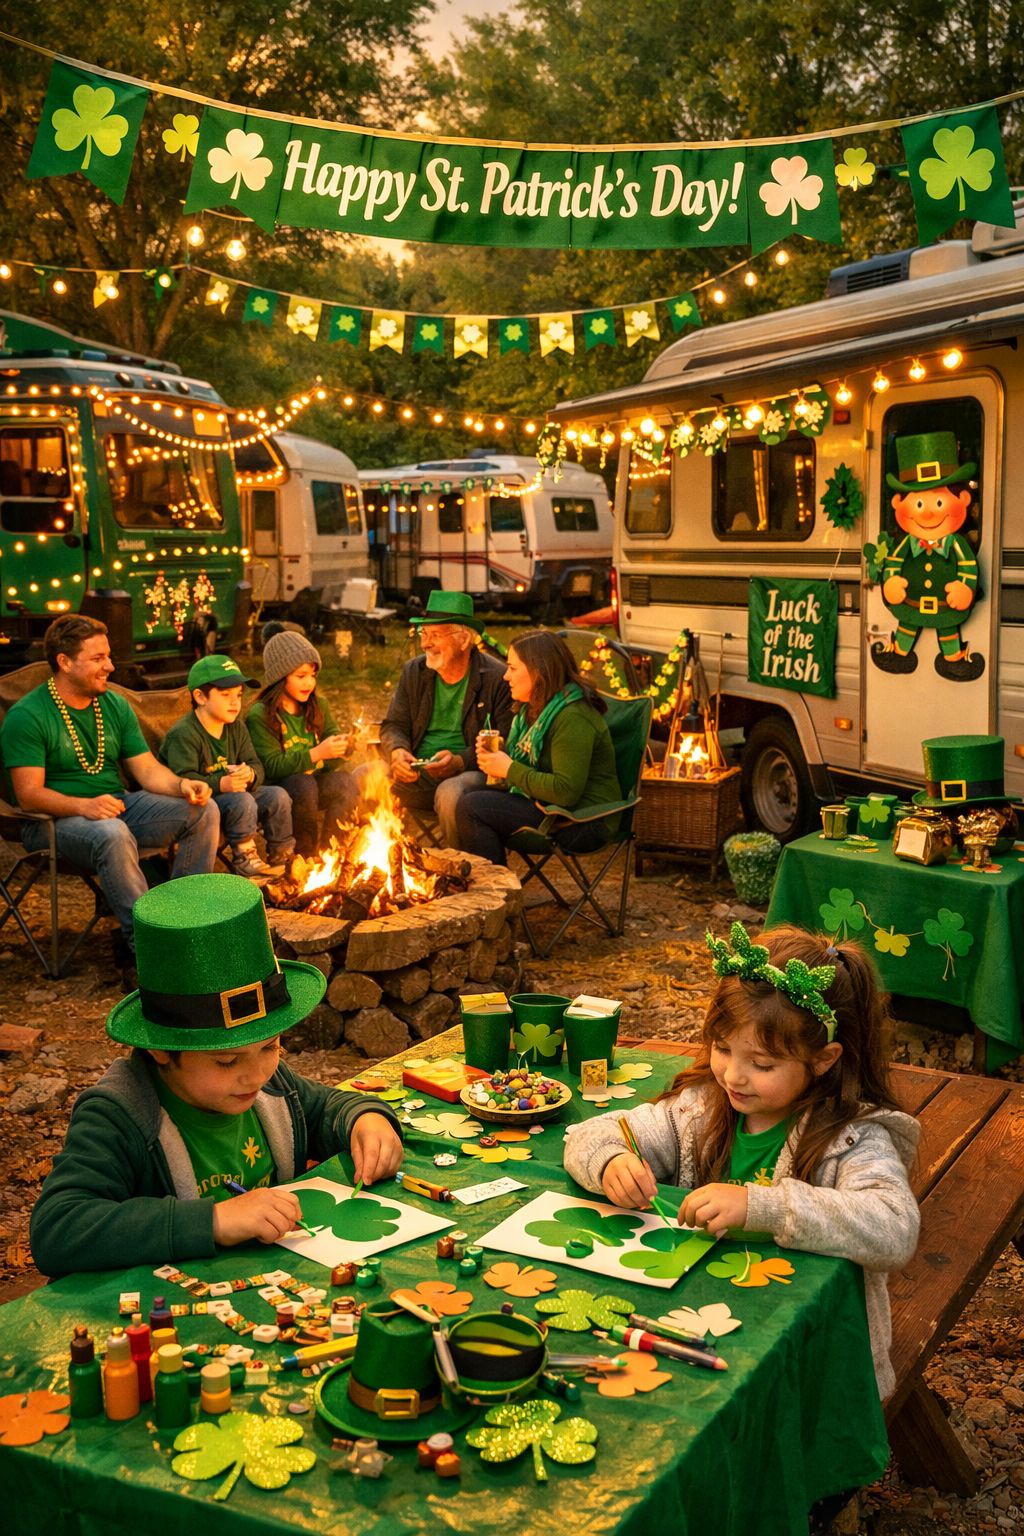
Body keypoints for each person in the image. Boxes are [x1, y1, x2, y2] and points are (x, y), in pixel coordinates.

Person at [564, 922, 920, 1406]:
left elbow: (895, 1228)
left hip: (809, 1349)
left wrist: (761, 1206)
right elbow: (591, 1134)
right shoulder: (699, 1110)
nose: (734, 1075)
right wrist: (611, 1161)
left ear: (823, 1059)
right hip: (696, 1320)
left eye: (763, 1064)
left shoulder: (851, 1139)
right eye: (724, 1049)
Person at [29, 873, 405, 1276]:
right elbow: (58, 1229)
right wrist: (214, 1221)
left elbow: (324, 1107)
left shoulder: (269, 1084)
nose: (256, 1075)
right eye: (227, 1061)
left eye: (271, 1046)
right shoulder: (119, 1114)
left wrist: (365, 1119)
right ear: (161, 1049)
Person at [0, 615, 219, 980]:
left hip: (114, 806)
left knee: (203, 811)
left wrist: (182, 785)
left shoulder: (113, 706)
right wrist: (84, 806)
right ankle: (149, 949)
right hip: (51, 824)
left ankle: (186, 923)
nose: (111, 666)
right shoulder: (29, 716)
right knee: (112, 834)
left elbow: (147, 770)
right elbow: (29, 795)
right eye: (99, 658)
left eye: (109, 656)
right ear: (65, 662)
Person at [455, 629, 621, 867]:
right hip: (548, 806)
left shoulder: (573, 716)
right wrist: (501, 758)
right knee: (465, 795)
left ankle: (496, 894)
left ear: (538, 671)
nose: (505, 676)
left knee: (472, 808)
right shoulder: (532, 709)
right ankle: (489, 889)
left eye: (512, 668)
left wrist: (510, 768)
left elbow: (566, 791)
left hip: (584, 820)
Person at [379, 589, 512, 848]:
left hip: (472, 773)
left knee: (450, 793)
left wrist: (461, 761)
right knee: (365, 775)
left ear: (464, 640)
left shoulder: (497, 678)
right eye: (423, 634)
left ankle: (463, 874)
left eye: (436, 635)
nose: (425, 643)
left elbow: (508, 740)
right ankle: (373, 870)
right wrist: (397, 751)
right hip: (417, 771)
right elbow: (394, 725)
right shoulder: (414, 672)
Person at [159, 654, 294, 883]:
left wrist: (250, 774)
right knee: (242, 800)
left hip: (235, 796)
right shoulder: (184, 734)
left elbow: (255, 763)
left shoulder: (236, 727)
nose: (235, 702)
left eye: (239, 695)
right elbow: (183, 779)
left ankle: (284, 858)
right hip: (200, 805)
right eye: (226, 695)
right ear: (200, 697)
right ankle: (245, 858)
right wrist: (222, 783)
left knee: (277, 795)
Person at [246, 624, 359, 858]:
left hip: (314, 785)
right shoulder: (261, 714)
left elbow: (329, 756)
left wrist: (342, 749)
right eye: (301, 676)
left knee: (345, 781)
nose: (309, 683)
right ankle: (304, 856)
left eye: (313, 675)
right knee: (302, 784)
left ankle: (332, 855)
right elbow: (271, 766)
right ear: (280, 677)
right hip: (281, 790)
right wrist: (316, 754)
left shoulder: (318, 707)